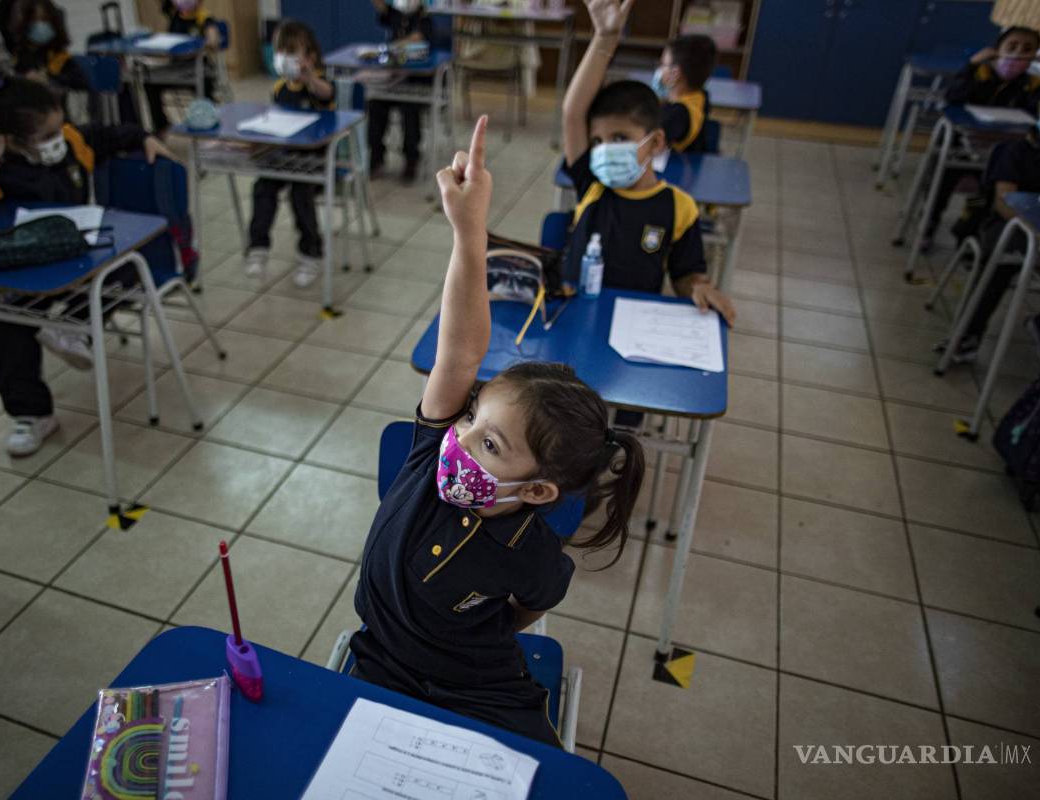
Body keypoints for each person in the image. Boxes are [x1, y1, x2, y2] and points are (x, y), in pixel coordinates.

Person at [350, 114, 646, 745]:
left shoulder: (529, 549)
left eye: (488, 443)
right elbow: (460, 354)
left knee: (531, 773)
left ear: (536, 491)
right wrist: (468, 231)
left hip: (479, 686)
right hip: (381, 662)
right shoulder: (430, 452)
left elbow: (531, 606)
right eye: (470, 417)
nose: (459, 438)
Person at [0, 59, 174, 456]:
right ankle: (32, 414)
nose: (58, 138)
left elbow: (111, 134)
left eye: (59, 127)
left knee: (128, 267)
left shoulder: (72, 142)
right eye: (45, 135)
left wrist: (144, 137)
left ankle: (73, 327)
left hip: (80, 260)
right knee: (6, 326)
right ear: (10, 139)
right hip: (26, 270)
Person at [561, 0, 734, 323]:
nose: (605, 150)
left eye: (619, 138)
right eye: (597, 141)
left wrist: (699, 287)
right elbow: (572, 112)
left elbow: (685, 274)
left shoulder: (679, 207)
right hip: (575, 320)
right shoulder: (593, 185)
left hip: (633, 326)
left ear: (655, 142)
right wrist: (604, 38)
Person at [936, 89, 1040, 364]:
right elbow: (1004, 204)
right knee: (1003, 259)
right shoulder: (1014, 151)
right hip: (1011, 226)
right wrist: (1038, 233)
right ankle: (968, 333)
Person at [921, 26, 1040, 250]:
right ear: (997, 49)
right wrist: (972, 65)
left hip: (999, 153)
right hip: (961, 145)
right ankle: (930, 223)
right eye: (1012, 46)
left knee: (982, 197)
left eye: (1027, 49)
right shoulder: (981, 72)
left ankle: (965, 231)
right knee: (942, 187)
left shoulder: (1031, 83)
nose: (1018, 53)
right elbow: (953, 97)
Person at [244, 19, 334, 286]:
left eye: (292, 51)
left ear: (311, 57)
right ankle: (258, 247)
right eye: (281, 51)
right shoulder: (279, 88)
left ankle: (311, 253)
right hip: (284, 155)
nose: (285, 57)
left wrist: (310, 78)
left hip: (315, 157)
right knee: (263, 187)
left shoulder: (317, 82)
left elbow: (327, 93)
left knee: (300, 193)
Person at [367, 0, 433, 182]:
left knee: (409, 109)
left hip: (416, 84)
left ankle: (411, 159)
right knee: (375, 104)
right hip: (393, 82)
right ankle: (376, 157)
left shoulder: (424, 19)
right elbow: (381, 7)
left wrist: (394, 46)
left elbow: (417, 38)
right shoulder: (396, 15)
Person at [144, 0, 222, 137]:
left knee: (205, 82)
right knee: (150, 82)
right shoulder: (175, 14)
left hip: (198, 68)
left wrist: (207, 43)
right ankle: (161, 126)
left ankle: (209, 126)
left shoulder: (204, 17)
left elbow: (213, 39)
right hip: (175, 68)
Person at [652, 33, 716, 153]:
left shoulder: (677, 114)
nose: (659, 70)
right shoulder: (700, 96)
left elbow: (651, 146)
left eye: (662, 64)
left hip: (674, 163)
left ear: (675, 73)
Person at [7, 0, 88, 92]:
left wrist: (49, 81)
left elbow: (83, 87)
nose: (40, 25)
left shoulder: (61, 58)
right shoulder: (18, 57)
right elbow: (1, 83)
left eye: (44, 20)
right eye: (34, 21)